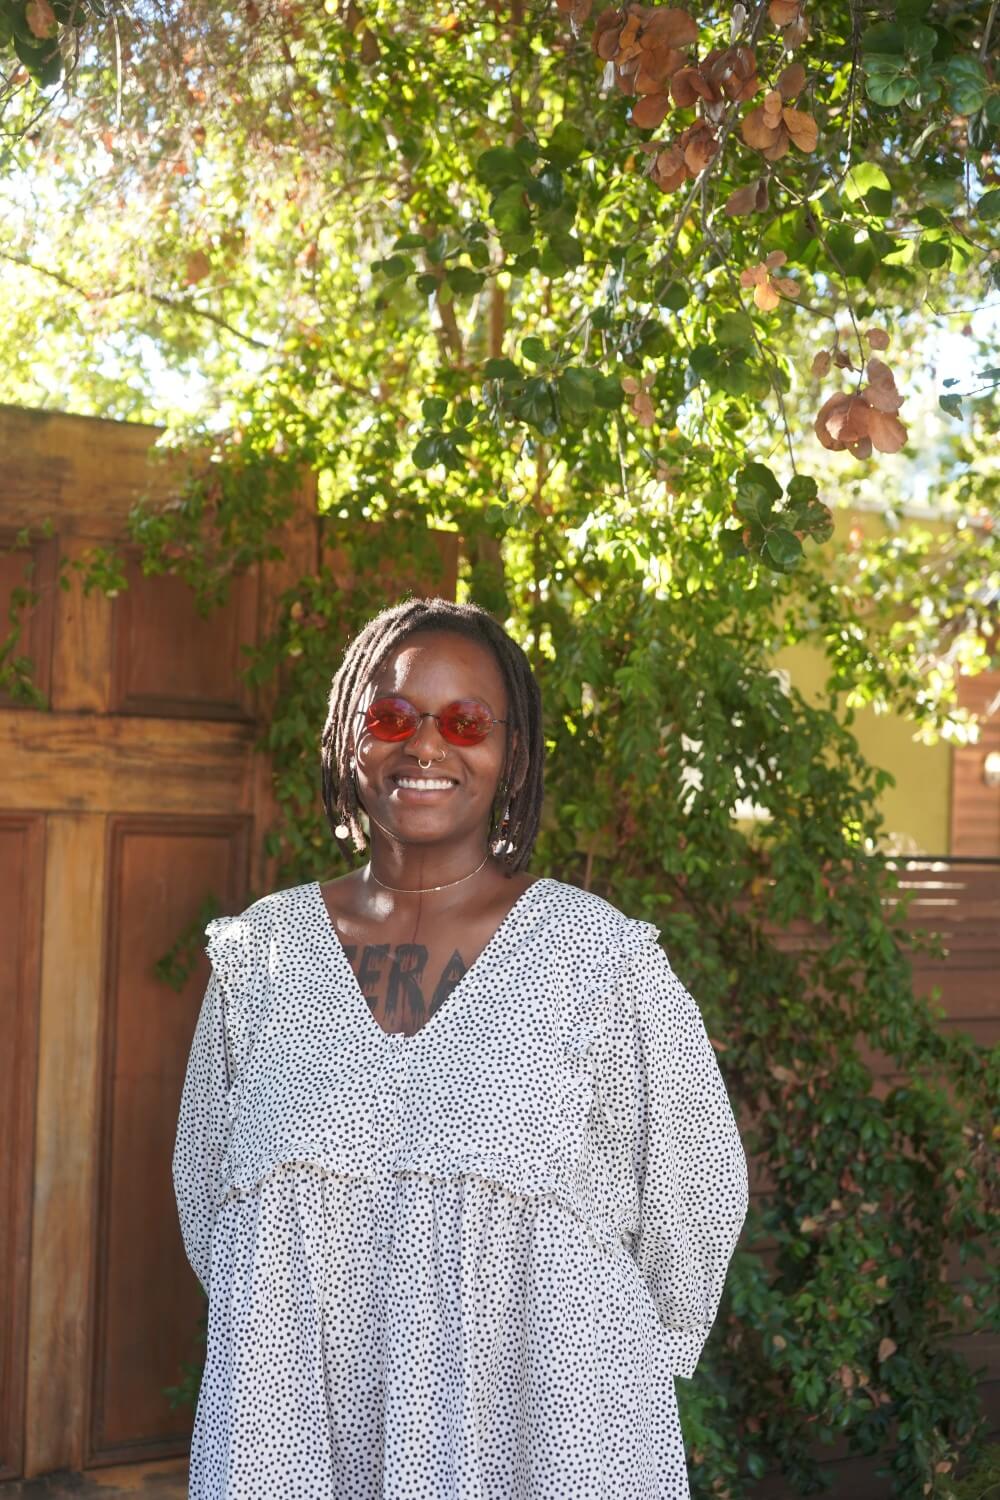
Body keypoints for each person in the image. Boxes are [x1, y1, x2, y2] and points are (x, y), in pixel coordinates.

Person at [172, 596, 749, 1500]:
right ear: (349, 735)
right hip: (300, 1441)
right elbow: (209, 1194)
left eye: (467, 721)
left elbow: (695, 1195)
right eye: (393, 716)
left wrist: (628, 1355)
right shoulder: (263, 956)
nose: (426, 746)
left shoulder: (597, 959)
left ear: (512, 751)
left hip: (546, 1441)